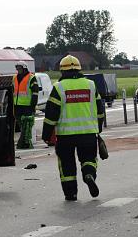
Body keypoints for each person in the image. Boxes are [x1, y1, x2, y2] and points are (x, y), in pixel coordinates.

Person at [41, 55, 105, 201]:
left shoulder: (59, 87)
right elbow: (100, 110)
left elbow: (51, 115)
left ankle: (71, 194)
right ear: (79, 69)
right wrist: (99, 128)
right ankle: (89, 175)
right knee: (89, 159)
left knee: (66, 165)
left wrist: (46, 135)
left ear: (62, 72)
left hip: (65, 136)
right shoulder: (91, 85)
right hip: (88, 133)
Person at [12, 61, 38, 149]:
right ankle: (25, 143)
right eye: (17, 68)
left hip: (27, 106)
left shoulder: (31, 78)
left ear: (24, 68)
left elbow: (35, 93)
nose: (18, 70)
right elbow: (12, 91)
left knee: (26, 126)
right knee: (22, 126)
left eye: (19, 68)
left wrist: (33, 106)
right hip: (17, 106)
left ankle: (23, 143)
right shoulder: (14, 78)